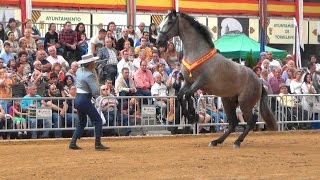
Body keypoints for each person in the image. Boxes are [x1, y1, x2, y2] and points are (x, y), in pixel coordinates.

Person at [69, 54, 109, 150]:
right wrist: (96, 79)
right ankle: (97, 144)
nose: (94, 63)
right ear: (90, 63)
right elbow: (95, 91)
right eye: (93, 62)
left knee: (82, 121)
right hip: (85, 99)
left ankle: (73, 142)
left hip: (78, 97)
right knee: (98, 120)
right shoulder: (89, 75)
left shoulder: (79, 70)